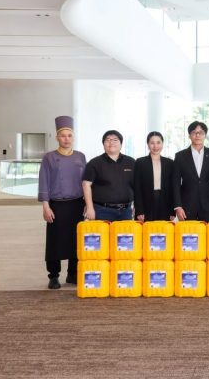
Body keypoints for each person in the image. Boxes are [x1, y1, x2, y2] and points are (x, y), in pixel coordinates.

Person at [38, 115, 86, 290]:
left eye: (70, 135)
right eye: (63, 135)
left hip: (77, 204)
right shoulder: (49, 157)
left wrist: (88, 203)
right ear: (57, 137)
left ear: (74, 137)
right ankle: (54, 275)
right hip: (57, 205)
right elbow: (44, 181)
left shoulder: (80, 157)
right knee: (54, 241)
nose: (67, 139)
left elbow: (86, 182)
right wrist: (46, 206)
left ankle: (72, 274)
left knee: (76, 239)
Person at [172, 121, 209, 222]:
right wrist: (178, 206)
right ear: (189, 135)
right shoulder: (180, 156)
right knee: (188, 232)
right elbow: (175, 183)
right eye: (194, 132)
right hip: (187, 205)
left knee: (208, 232)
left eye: (201, 132)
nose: (198, 135)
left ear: (205, 135)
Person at [82, 130, 136, 222]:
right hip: (101, 210)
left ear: (121, 144)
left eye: (115, 140)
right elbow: (86, 184)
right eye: (108, 140)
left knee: (124, 232)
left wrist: (137, 206)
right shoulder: (94, 163)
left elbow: (137, 186)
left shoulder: (131, 162)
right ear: (103, 144)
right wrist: (90, 208)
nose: (111, 143)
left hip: (126, 212)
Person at [134, 131, 175, 222]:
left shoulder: (170, 163)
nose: (155, 146)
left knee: (163, 229)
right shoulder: (140, 162)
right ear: (148, 145)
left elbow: (173, 188)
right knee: (147, 229)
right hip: (146, 203)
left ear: (162, 144)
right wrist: (139, 210)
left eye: (158, 142)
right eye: (152, 143)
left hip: (165, 202)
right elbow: (137, 188)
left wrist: (172, 211)